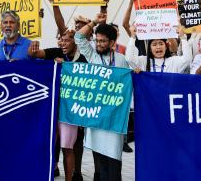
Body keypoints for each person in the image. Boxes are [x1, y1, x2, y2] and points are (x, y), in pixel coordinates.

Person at [75, 12, 129, 181]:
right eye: (97, 40)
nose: (99, 44)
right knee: (100, 157)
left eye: (103, 41)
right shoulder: (92, 56)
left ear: (112, 43)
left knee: (114, 156)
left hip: (115, 117)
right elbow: (78, 37)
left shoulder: (121, 60)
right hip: (97, 116)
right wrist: (94, 22)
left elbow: (128, 83)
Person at [28, 29, 87, 181]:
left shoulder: (83, 59)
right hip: (51, 109)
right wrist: (33, 45)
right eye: (61, 39)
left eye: (67, 40)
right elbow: (33, 54)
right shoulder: (56, 52)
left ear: (75, 41)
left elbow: (87, 86)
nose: (63, 43)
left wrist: (66, 66)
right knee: (49, 146)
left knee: (68, 148)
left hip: (70, 112)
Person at [126, 24, 192, 73]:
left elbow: (187, 59)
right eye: (154, 45)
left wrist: (183, 38)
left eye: (161, 43)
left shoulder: (173, 61)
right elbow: (129, 59)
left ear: (166, 47)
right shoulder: (144, 61)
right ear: (150, 49)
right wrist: (133, 37)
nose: (158, 47)